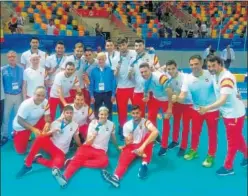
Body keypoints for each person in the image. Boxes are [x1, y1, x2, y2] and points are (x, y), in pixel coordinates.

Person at [199, 55, 247, 175]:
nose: (210, 68)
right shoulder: (216, 75)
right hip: (228, 113)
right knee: (238, 138)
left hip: (234, 115)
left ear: (220, 64)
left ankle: (228, 166)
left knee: (232, 141)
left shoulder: (226, 78)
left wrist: (207, 108)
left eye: (213, 65)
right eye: (209, 66)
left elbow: (223, 100)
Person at [52, 106, 119, 188]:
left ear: (107, 115)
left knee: (104, 162)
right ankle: (64, 178)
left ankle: (74, 161)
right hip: (88, 146)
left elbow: (113, 137)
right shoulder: (93, 123)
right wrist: (94, 135)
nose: (103, 116)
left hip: (101, 150)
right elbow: (88, 141)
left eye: (105, 114)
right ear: (98, 114)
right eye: (101, 114)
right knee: (78, 157)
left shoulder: (112, 125)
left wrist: (117, 147)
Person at [172, 55, 219, 168]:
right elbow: (183, 95)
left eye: (196, 64)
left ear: (201, 63)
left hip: (212, 109)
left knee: (212, 133)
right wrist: (177, 98)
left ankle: (211, 155)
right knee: (195, 132)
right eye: (192, 65)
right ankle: (194, 150)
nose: (194, 67)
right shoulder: (187, 78)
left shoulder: (210, 74)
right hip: (197, 109)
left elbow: (220, 89)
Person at [16, 105, 81, 178]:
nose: (69, 114)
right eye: (67, 113)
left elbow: (76, 137)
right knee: (40, 138)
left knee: (58, 165)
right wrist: (52, 131)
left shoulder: (75, 125)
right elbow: (44, 134)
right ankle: (27, 165)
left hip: (61, 151)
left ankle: (38, 159)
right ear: (63, 113)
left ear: (73, 114)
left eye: (71, 113)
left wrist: (80, 146)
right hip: (52, 146)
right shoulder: (56, 123)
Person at [102, 105, 159, 188]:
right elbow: (127, 142)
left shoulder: (146, 122)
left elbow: (156, 132)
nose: (135, 115)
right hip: (132, 147)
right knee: (123, 160)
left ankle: (144, 165)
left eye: (137, 113)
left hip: (142, 145)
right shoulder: (127, 125)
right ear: (131, 114)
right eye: (133, 113)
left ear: (140, 113)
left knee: (150, 136)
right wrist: (127, 142)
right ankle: (116, 178)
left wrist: (142, 147)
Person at [139, 63, 172, 156]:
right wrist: (146, 97)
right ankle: (154, 136)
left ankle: (164, 146)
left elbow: (170, 92)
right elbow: (146, 91)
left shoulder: (160, 77)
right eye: (141, 72)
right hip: (155, 99)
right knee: (150, 119)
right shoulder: (143, 80)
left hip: (166, 100)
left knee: (166, 122)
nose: (144, 74)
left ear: (150, 69)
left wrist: (170, 108)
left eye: (145, 71)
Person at [166, 60, 193, 157]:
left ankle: (183, 146)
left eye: (173, 68)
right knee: (175, 122)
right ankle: (175, 140)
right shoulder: (168, 77)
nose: (171, 71)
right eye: (169, 69)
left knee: (185, 125)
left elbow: (183, 94)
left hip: (187, 103)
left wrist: (175, 95)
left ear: (176, 67)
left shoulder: (184, 77)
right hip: (177, 102)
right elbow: (170, 93)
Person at [12, 86, 51, 154]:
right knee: (21, 151)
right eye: (38, 95)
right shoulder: (26, 104)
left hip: (34, 121)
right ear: (34, 94)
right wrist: (33, 129)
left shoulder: (46, 102)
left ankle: (42, 140)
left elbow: (47, 115)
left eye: (43, 95)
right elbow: (19, 120)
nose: (41, 98)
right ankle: (15, 134)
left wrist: (47, 122)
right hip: (21, 127)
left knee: (49, 125)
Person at [115, 37, 136, 140]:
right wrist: (117, 69)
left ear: (127, 43)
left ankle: (137, 128)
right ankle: (123, 128)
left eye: (124, 44)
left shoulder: (134, 53)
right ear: (118, 47)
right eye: (120, 46)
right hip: (121, 87)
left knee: (136, 109)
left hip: (133, 86)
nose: (122, 47)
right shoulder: (116, 57)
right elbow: (114, 74)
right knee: (122, 110)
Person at [1, 51, 24, 146]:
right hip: (7, 96)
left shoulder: (21, 69)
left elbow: (24, 82)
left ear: (16, 57)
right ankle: (4, 135)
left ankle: (16, 133)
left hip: (18, 95)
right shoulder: (3, 69)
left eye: (13, 56)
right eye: (10, 57)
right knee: (5, 117)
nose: (12, 58)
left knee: (18, 117)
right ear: (7, 58)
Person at [89, 52, 116, 120]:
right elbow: (91, 84)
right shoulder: (93, 71)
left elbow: (113, 82)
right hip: (97, 94)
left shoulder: (110, 70)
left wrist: (113, 94)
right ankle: (98, 128)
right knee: (97, 111)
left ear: (105, 59)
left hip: (108, 93)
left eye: (102, 59)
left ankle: (109, 128)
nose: (100, 61)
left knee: (109, 111)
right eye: (99, 59)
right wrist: (91, 95)